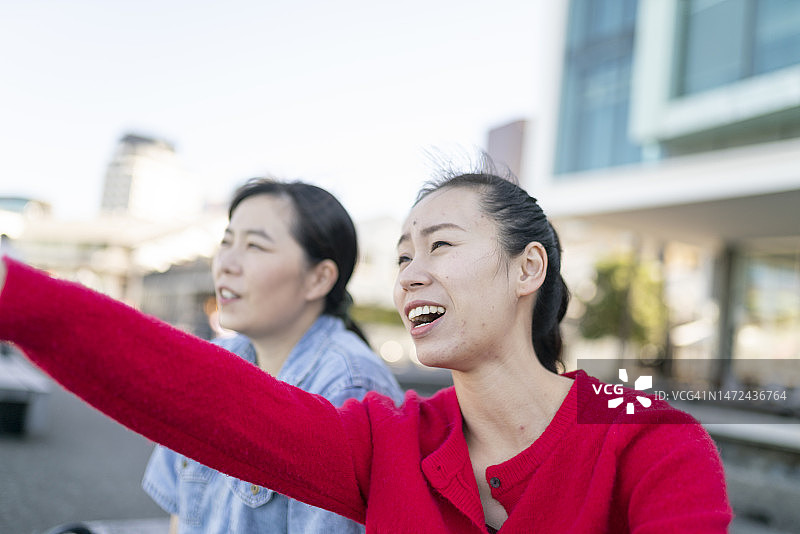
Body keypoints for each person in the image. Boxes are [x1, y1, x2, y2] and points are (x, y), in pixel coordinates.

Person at [0, 164, 732, 533]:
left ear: (527, 269)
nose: (412, 271)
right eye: (404, 255)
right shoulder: (392, 440)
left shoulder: (650, 434)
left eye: (441, 245)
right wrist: (15, 296)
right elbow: (203, 400)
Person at [142, 179, 404, 534]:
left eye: (255, 246)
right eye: (226, 241)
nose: (226, 264)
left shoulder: (348, 387)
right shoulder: (215, 362)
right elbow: (180, 515)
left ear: (318, 279)